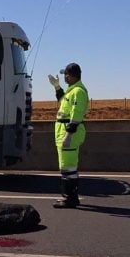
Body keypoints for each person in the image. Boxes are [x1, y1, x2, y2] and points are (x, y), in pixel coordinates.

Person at [47, 62, 89, 208]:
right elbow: (63, 101)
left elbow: (76, 115)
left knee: (68, 167)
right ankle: (70, 197)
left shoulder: (78, 92)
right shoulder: (71, 91)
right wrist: (57, 87)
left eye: (66, 74)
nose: (64, 76)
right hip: (64, 132)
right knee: (67, 166)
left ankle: (69, 199)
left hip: (69, 133)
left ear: (71, 75)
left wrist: (68, 135)